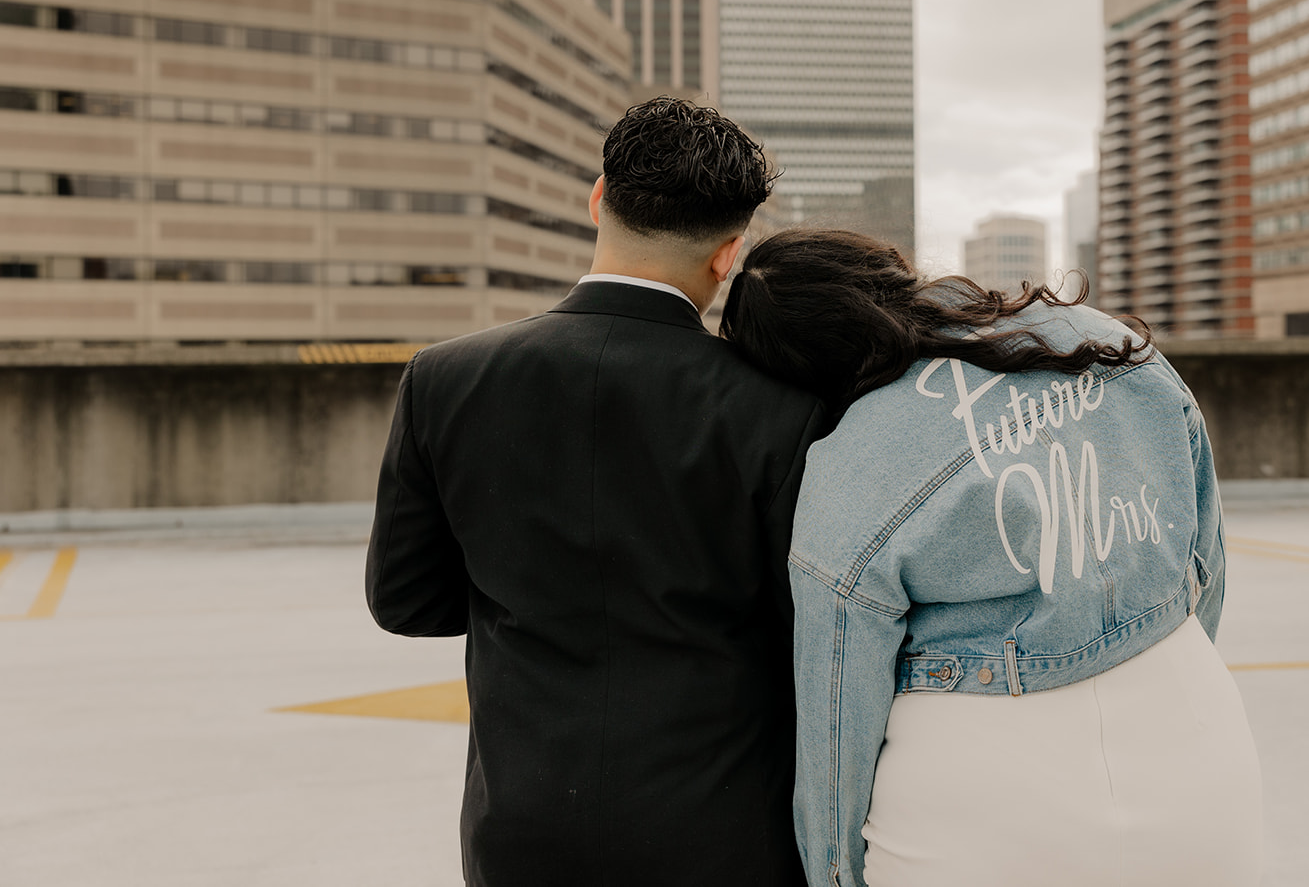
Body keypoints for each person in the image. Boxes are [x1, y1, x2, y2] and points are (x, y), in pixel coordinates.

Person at [365, 98, 827, 887]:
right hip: (721, 835)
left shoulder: (444, 377)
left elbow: (404, 599)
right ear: (728, 252)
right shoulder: (784, 406)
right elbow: (810, 623)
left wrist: (529, 597)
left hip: (523, 830)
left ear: (596, 198)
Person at [719, 228, 1263, 887]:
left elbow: (840, 727)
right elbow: (1203, 558)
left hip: (978, 811)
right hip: (1199, 761)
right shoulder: (1090, 333)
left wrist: (834, 874)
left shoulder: (847, 470)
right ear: (890, 270)